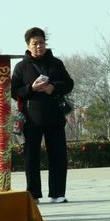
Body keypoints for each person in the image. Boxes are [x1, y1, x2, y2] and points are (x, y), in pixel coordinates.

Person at [11, 27, 75, 204]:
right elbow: (14, 91)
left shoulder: (56, 64)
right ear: (28, 45)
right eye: (35, 43)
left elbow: (69, 84)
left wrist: (53, 87)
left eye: (41, 42)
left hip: (54, 116)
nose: (39, 46)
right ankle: (33, 194)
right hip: (32, 118)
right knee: (31, 157)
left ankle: (57, 193)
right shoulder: (21, 67)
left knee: (58, 155)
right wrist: (31, 88)